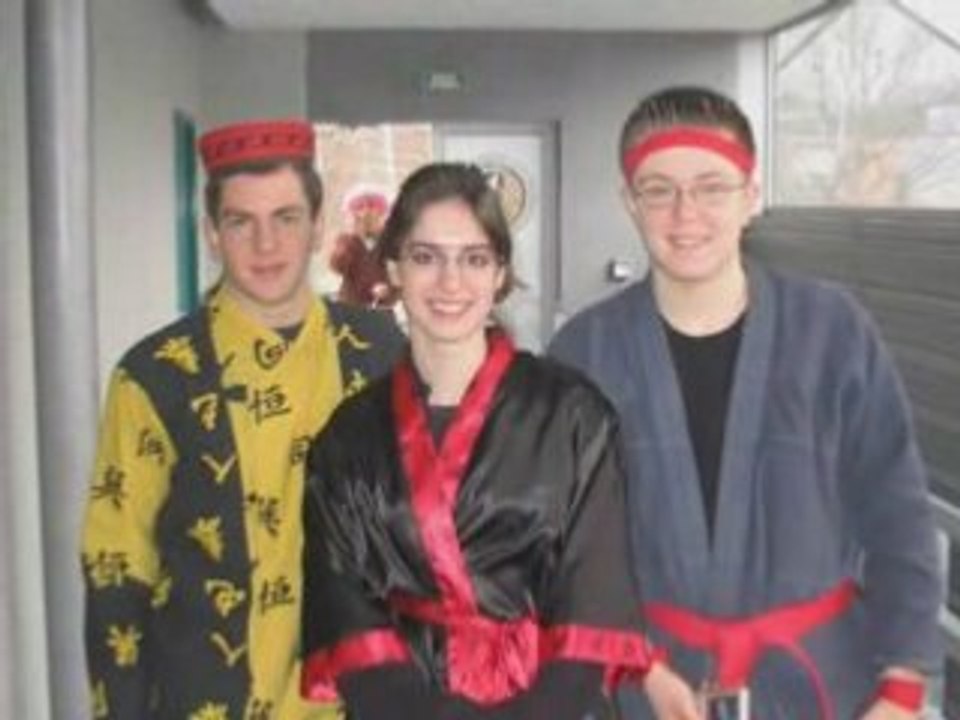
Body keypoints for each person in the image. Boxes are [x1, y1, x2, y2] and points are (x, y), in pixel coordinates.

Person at [549, 86, 942, 719]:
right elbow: (562, 544)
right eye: (659, 190)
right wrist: (636, 664)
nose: (686, 214)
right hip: (651, 687)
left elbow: (897, 515)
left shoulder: (831, 332)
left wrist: (901, 686)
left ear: (751, 195)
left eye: (711, 187)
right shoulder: (583, 352)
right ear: (629, 202)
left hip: (820, 687)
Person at [299, 162, 700, 719]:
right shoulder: (347, 438)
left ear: (500, 274)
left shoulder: (573, 415)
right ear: (393, 267)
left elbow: (593, 602)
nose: (451, 282)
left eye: (474, 259)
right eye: (426, 257)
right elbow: (346, 617)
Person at [81, 118, 404, 719]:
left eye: (286, 218)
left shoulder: (381, 353)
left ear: (317, 227)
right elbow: (116, 573)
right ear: (211, 233)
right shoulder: (155, 377)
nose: (266, 245)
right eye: (240, 222)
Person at [328, 186, 397, 308]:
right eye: (360, 219)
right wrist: (354, 237)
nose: (367, 223)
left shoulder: (389, 243)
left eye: (374, 217)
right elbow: (338, 266)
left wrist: (388, 290)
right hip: (350, 306)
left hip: (380, 308)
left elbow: (399, 277)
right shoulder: (346, 241)